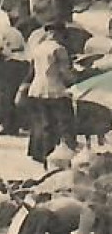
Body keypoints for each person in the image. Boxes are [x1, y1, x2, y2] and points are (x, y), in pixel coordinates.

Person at [26, 23, 75, 165]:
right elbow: (65, 73)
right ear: (57, 33)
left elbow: (32, 71)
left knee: (45, 124)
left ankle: (44, 155)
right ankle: (64, 155)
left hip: (37, 89)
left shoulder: (38, 49)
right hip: (55, 90)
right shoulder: (59, 49)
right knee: (64, 124)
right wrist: (76, 78)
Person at [0, 10, 28, 136]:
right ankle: (16, 125)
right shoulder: (16, 32)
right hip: (22, 63)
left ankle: (8, 126)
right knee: (14, 96)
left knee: (5, 96)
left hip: (8, 64)